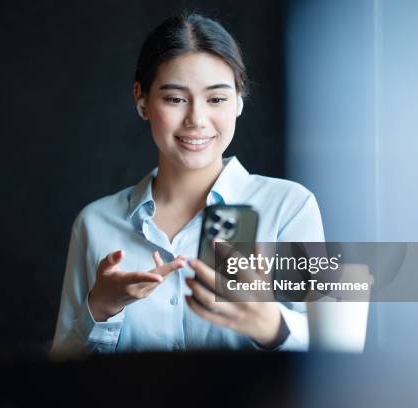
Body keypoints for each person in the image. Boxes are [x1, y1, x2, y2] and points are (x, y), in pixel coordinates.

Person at [51, 12, 324, 354]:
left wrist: (271, 326)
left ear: (238, 100)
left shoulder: (288, 208)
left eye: (216, 99)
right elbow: (59, 378)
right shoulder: (96, 223)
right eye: (175, 99)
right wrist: (99, 309)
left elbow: (332, 357)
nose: (196, 119)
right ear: (142, 100)